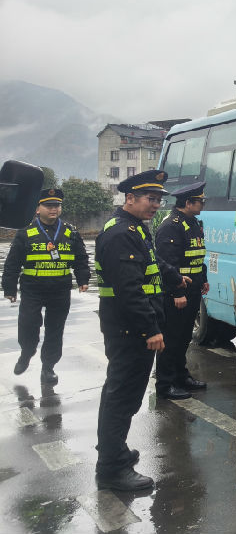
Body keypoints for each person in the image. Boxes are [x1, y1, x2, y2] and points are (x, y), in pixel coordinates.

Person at [94, 170, 189, 491]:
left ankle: (115, 451)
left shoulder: (134, 228)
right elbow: (129, 289)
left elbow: (153, 263)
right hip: (128, 330)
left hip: (127, 328)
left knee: (122, 394)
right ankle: (111, 468)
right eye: (150, 199)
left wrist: (174, 277)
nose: (156, 205)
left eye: (159, 199)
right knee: (122, 396)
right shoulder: (121, 234)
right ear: (129, 198)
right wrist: (151, 329)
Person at [2, 188, 90, 384]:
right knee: (28, 325)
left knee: (55, 330)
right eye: (48, 205)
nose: (53, 209)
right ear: (37, 209)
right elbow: (12, 263)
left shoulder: (70, 232)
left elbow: (81, 258)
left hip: (60, 290)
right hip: (32, 289)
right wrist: (9, 288)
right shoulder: (26, 233)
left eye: (57, 205)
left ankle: (48, 367)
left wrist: (83, 279)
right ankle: (27, 352)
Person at [154, 182, 209, 400]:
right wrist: (177, 292)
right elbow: (167, 263)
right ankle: (165, 384)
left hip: (193, 288)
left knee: (185, 337)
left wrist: (203, 279)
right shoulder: (171, 226)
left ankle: (180, 375)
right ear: (188, 203)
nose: (202, 205)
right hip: (177, 291)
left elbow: (197, 255)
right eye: (200, 202)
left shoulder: (193, 223)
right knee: (172, 338)